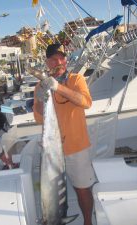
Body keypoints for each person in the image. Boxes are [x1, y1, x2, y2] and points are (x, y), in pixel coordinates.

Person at [33, 43, 96, 225]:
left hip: (76, 146)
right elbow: (39, 118)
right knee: (52, 190)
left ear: (66, 60)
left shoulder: (76, 79)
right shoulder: (40, 86)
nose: (58, 62)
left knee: (82, 188)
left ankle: (87, 222)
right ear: (47, 63)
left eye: (61, 58)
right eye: (53, 59)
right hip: (52, 151)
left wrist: (58, 88)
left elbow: (85, 102)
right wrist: (40, 98)